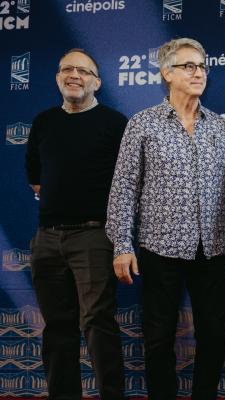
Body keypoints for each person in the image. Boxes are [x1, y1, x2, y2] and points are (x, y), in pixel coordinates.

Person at [105, 37, 225, 400]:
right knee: (158, 337)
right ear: (167, 73)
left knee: (213, 335)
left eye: (201, 66)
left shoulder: (220, 127)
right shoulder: (143, 124)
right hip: (158, 248)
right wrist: (122, 244)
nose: (198, 73)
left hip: (211, 248)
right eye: (188, 66)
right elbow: (123, 188)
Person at [25, 48, 127, 399]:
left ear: (96, 82)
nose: (74, 75)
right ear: (57, 78)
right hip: (47, 239)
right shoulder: (43, 123)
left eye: (83, 71)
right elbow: (36, 179)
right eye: (66, 69)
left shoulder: (115, 124)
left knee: (98, 323)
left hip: (94, 236)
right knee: (57, 328)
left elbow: (128, 184)